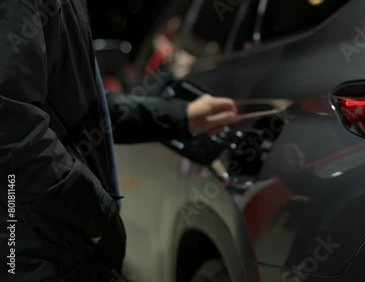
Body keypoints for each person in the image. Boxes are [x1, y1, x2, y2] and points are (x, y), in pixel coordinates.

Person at [0, 0, 237, 281]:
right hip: (44, 244)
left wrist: (179, 116)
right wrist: (97, 215)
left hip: (54, 239)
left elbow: (86, 110)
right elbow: (10, 128)